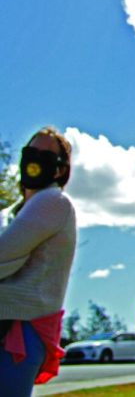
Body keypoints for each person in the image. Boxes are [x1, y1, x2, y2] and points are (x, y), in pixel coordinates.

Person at [0, 127, 77, 396]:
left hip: (19, 331)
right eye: (30, 153)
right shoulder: (11, 214)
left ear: (59, 170)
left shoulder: (54, 201)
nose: (35, 159)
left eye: (46, 155)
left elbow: (4, 257)